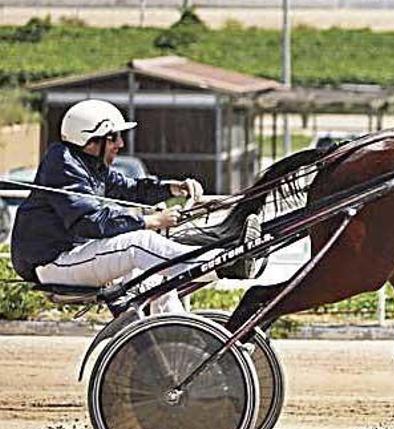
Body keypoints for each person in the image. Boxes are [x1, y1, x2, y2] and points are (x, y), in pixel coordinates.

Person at [10, 99, 260, 313]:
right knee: (139, 243)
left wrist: (173, 187)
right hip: (53, 263)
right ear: (91, 141)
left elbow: (130, 188)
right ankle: (226, 264)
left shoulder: (88, 163)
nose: (120, 144)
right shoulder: (65, 166)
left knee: (154, 278)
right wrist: (150, 221)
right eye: (114, 137)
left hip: (74, 255)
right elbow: (89, 220)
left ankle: (177, 331)